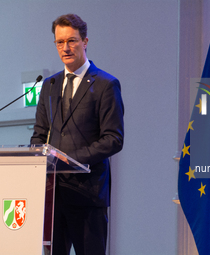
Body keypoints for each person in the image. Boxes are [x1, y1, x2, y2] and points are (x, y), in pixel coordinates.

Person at [30, 13, 124, 255]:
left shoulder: (105, 84)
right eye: (60, 42)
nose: (65, 48)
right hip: (54, 196)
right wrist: (37, 157)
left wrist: (71, 158)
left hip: (88, 195)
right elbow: (39, 134)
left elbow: (114, 138)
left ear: (85, 41)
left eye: (71, 40)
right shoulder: (49, 85)